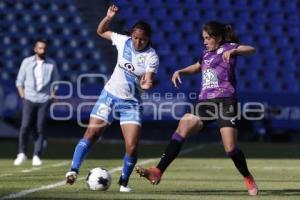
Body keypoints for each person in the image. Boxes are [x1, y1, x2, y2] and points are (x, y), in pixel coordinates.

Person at [136, 21, 259, 196]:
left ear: (218, 38)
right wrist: (181, 71)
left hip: (225, 101)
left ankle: (247, 176)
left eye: (208, 38)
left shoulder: (228, 47)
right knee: (183, 126)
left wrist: (235, 50)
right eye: (204, 38)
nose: (205, 41)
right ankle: (158, 171)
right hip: (205, 103)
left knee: (230, 149)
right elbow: (197, 67)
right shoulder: (205, 54)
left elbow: (251, 49)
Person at [65, 5, 159, 193]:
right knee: (91, 134)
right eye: (136, 38)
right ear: (131, 35)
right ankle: (73, 170)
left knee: (131, 147)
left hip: (131, 104)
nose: (138, 42)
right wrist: (108, 17)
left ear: (148, 39)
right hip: (109, 95)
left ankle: (123, 183)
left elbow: (148, 81)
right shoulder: (122, 41)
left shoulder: (151, 56)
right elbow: (100, 31)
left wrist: (146, 85)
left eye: (143, 39)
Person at [14, 38, 59, 166]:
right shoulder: (27, 62)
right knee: (25, 126)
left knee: (40, 128)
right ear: (35, 49)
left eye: (44, 48)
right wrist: (23, 95)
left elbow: (56, 82)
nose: (42, 50)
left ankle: (36, 155)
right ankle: (22, 153)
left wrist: (52, 95)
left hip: (44, 100)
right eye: (40, 48)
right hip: (29, 98)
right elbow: (19, 81)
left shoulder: (51, 64)